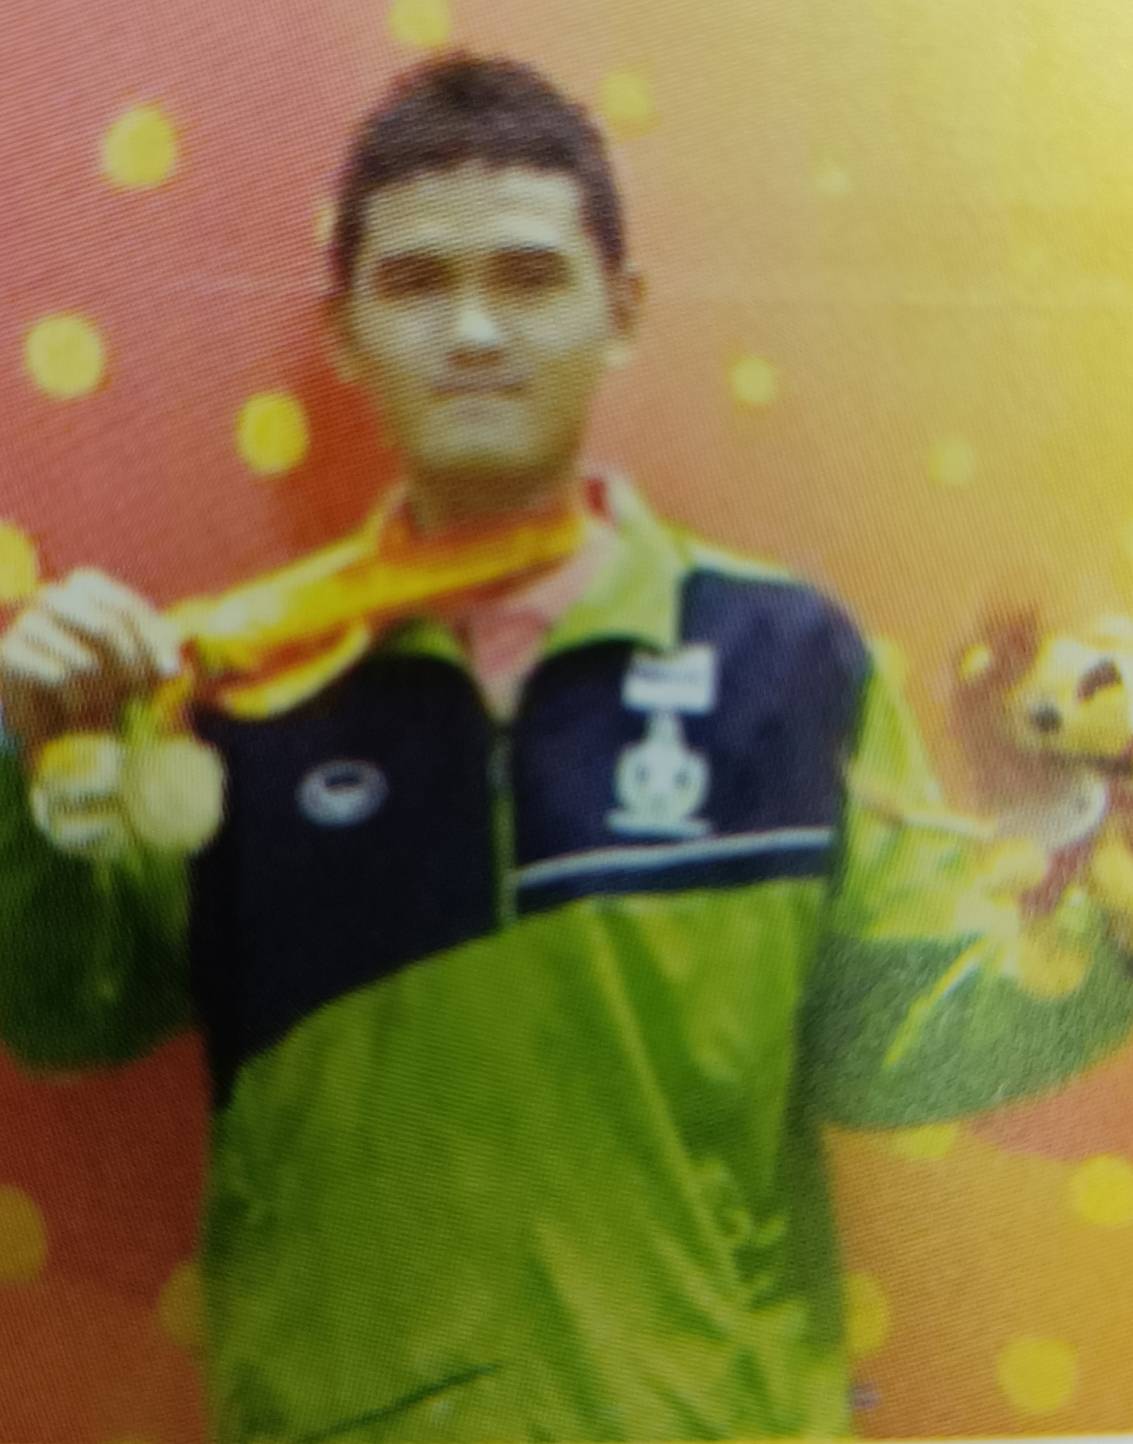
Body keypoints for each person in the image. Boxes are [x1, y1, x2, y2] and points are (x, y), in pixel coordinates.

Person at [0, 55, 1131, 1444]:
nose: (475, 331)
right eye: (417, 284)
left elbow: (895, 1045)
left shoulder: (785, 661)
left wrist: (1115, 928)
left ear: (622, 311)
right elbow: (69, 1011)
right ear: (343, 331)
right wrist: (27, 768)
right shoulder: (231, 687)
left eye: (530, 278)